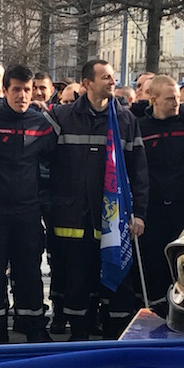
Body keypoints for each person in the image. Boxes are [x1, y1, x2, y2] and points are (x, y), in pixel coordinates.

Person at [48, 59, 149, 340]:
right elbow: (41, 161)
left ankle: (114, 336)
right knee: (77, 282)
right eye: (105, 77)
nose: (111, 81)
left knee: (117, 282)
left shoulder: (127, 120)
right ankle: (78, 337)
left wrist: (138, 213)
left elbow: (138, 172)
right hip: (73, 217)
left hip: (114, 220)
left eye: (113, 77)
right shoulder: (62, 116)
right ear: (87, 83)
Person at [0, 65, 57, 344]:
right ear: (5, 91)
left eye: (27, 90)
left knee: (29, 270)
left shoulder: (41, 123)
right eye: (16, 89)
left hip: (27, 211)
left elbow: (55, 162)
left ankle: (33, 326)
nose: (22, 95)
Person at [137, 75, 184, 303]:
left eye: (178, 98)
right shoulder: (140, 128)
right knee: (153, 265)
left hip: (183, 208)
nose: (177, 103)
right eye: (171, 98)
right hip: (153, 209)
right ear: (153, 99)